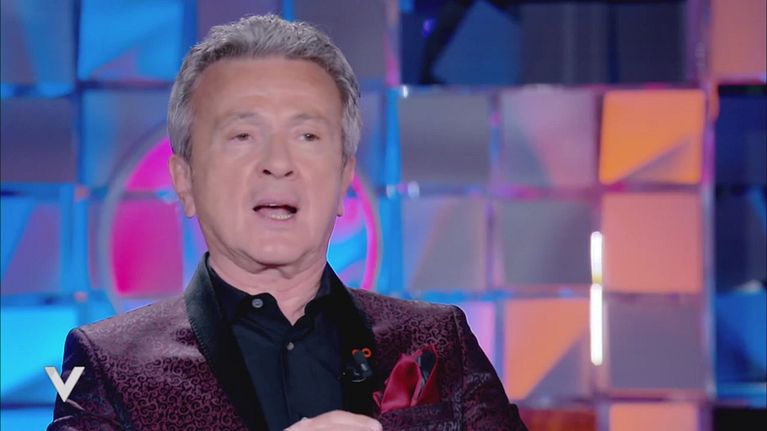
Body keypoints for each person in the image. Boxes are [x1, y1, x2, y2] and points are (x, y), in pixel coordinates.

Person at [48, 14, 527, 431]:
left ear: (344, 177)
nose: (278, 163)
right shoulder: (112, 365)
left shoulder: (438, 341)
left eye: (307, 135)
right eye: (242, 135)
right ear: (185, 180)